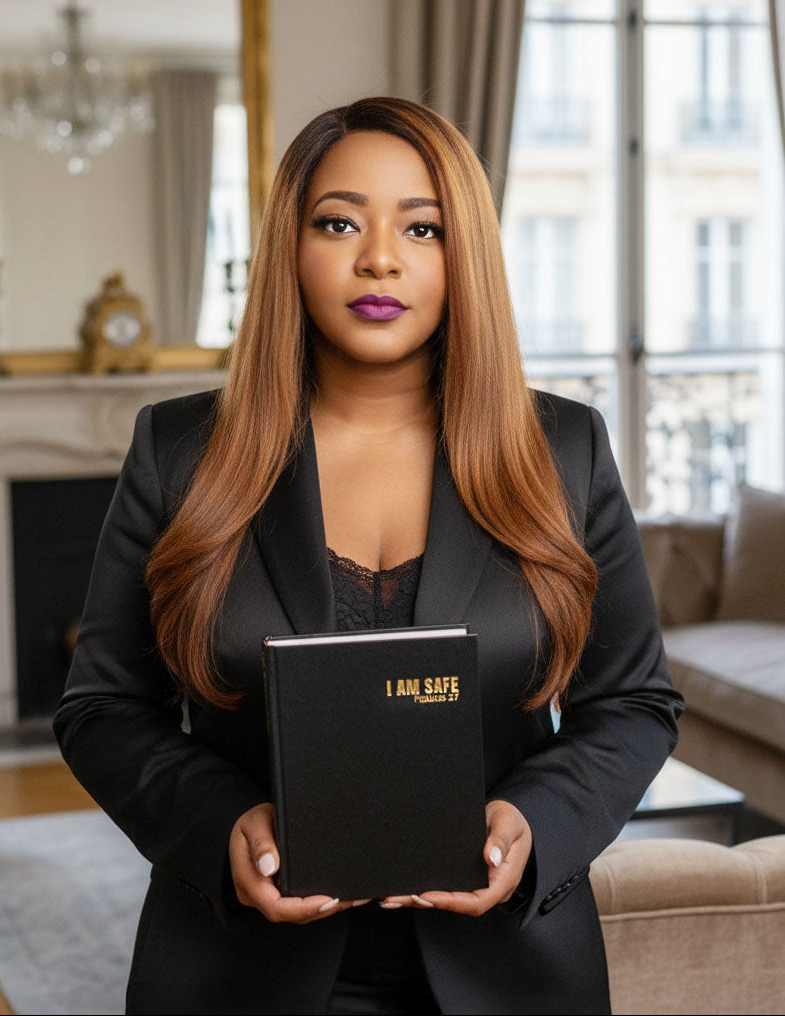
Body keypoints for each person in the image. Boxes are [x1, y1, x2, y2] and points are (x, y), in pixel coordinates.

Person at [54, 96, 683, 1015]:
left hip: (508, 973)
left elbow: (633, 701)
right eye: (339, 221)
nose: (378, 257)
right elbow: (103, 707)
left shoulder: (565, 450)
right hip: (236, 972)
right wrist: (225, 826)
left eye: (421, 227)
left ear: (462, 250)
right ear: (288, 249)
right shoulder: (179, 452)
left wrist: (532, 825)